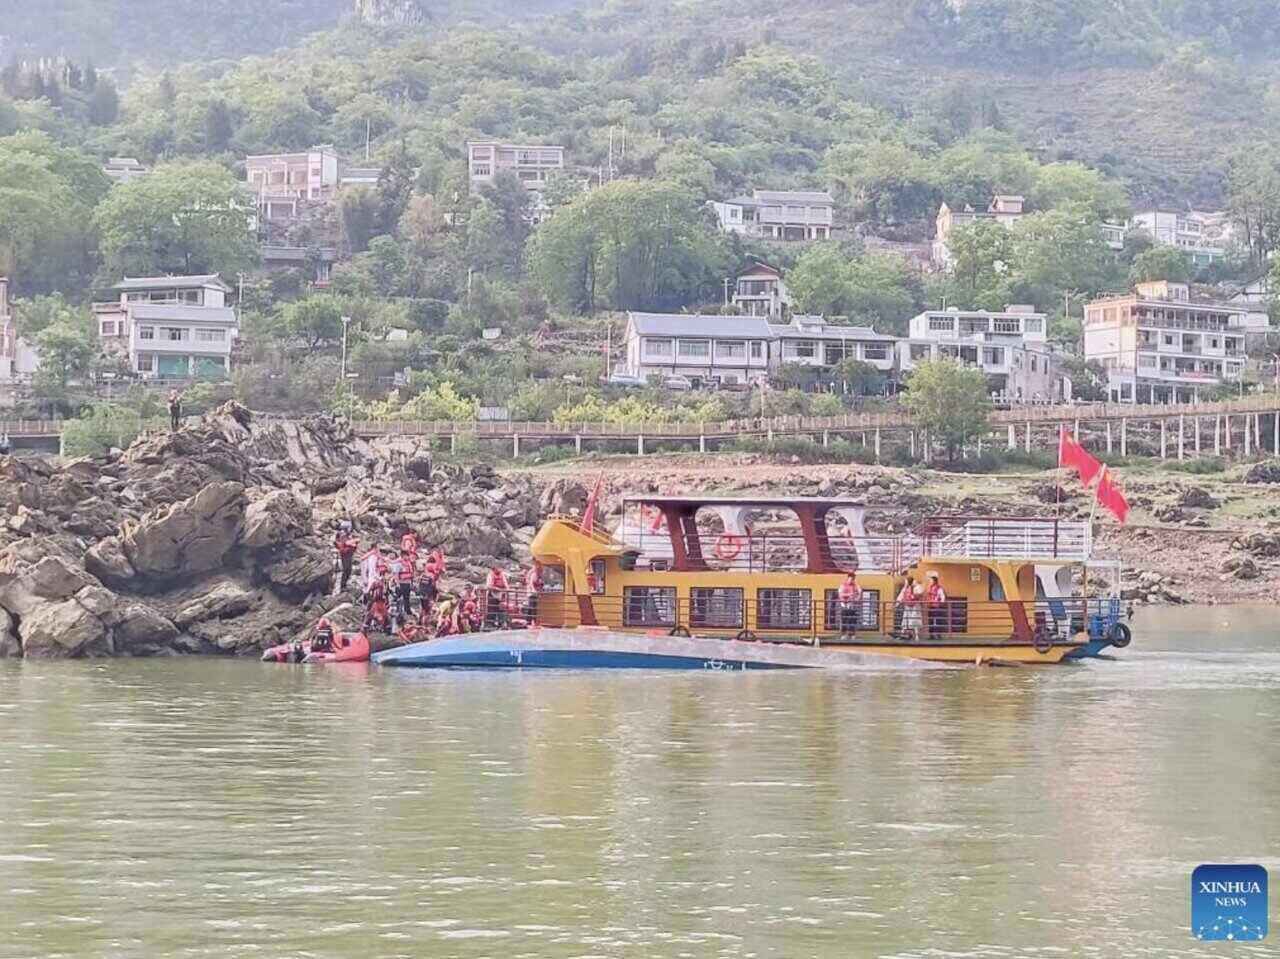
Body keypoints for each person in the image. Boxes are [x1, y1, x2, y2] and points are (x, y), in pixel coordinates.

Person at [333, 522, 358, 592]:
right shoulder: (343, 536)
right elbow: (346, 543)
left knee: (348, 570)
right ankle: (343, 586)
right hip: (345, 555)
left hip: (348, 554)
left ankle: (344, 585)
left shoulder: (346, 535)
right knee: (346, 570)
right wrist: (353, 543)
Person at [896, 575, 921, 642]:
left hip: (915, 606)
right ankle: (902, 633)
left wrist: (914, 594)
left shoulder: (916, 587)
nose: (906, 582)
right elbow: (901, 596)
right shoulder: (905, 588)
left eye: (906, 581)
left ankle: (916, 636)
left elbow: (919, 593)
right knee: (905, 619)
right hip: (907, 605)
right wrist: (897, 604)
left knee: (914, 621)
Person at [837, 571, 862, 637]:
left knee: (852, 619)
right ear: (848, 578)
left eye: (853, 578)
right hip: (844, 604)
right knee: (844, 619)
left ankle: (852, 634)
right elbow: (840, 594)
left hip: (851, 604)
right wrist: (849, 595)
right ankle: (843, 634)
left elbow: (859, 592)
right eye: (851, 578)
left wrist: (857, 598)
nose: (852, 580)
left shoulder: (855, 585)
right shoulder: (843, 585)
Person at [416, 556, 439, 626]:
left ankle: (419, 621)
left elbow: (419, 584)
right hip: (428, 595)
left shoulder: (423, 575)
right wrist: (435, 596)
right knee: (427, 611)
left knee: (422, 608)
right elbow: (433, 586)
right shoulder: (432, 575)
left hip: (421, 593)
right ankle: (425, 625)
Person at [925, 571, 947, 637]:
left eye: (931, 580)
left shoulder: (939, 588)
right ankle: (931, 635)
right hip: (931, 606)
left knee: (937, 620)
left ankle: (938, 634)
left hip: (937, 606)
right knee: (931, 620)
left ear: (935, 581)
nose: (930, 582)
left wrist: (941, 603)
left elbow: (942, 596)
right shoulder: (930, 588)